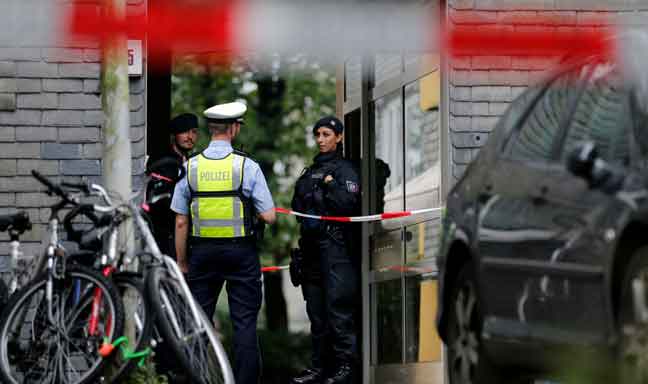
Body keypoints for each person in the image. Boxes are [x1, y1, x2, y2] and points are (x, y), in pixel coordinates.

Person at [171, 101, 276, 384]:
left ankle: (195, 378)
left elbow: (181, 221)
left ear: (210, 129)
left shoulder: (190, 168)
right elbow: (269, 216)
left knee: (197, 323)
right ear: (233, 128)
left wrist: (182, 262)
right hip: (241, 253)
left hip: (201, 255)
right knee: (244, 325)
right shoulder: (247, 167)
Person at [290, 116, 361, 384]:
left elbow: (347, 205)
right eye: (318, 134)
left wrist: (330, 184)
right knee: (317, 315)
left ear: (339, 137)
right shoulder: (309, 172)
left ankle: (346, 368)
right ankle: (318, 367)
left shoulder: (345, 170)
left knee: (339, 312)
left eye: (327, 134)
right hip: (310, 251)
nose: (321, 139)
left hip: (336, 249)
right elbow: (296, 206)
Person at [145, 113, 198, 258]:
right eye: (184, 132)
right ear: (174, 135)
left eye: (194, 132)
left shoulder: (192, 161)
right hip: (164, 234)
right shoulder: (162, 162)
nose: (190, 136)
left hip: (185, 234)